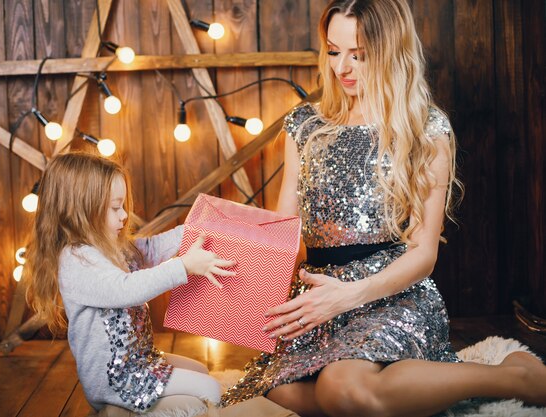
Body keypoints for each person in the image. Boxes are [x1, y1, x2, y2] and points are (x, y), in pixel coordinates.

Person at [221, 1, 546, 416]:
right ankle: (407, 389)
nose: (343, 68)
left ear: (392, 50)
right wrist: (240, 277)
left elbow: (424, 254)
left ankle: (514, 376)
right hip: (319, 296)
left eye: (360, 54)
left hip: (391, 293)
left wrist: (350, 296)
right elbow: (284, 234)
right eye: (334, 50)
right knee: (276, 391)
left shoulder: (426, 128)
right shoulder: (304, 125)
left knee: (341, 390)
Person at [24, 152, 235, 413]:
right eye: (115, 208)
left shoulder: (112, 246)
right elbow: (126, 289)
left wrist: (195, 231)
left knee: (201, 370)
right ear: (80, 210)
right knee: (211, 389)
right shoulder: (77, 259)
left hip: (140, 361)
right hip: (118, 379)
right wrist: (183, 266)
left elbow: (152, 249)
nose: (124, 215)